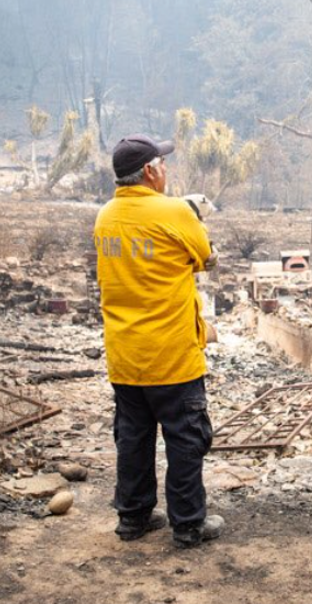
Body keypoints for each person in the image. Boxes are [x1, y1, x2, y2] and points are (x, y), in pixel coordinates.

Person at [92, 134, 223, 548]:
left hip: (125, 355)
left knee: (133, 438)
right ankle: (187, 525)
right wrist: (194, 220)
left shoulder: (104, 218)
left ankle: (132, 518)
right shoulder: (175, 211)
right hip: (171, 353)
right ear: (150, 172)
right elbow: (206, 258)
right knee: (185, 438)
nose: (166, 170)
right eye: (162, 164)